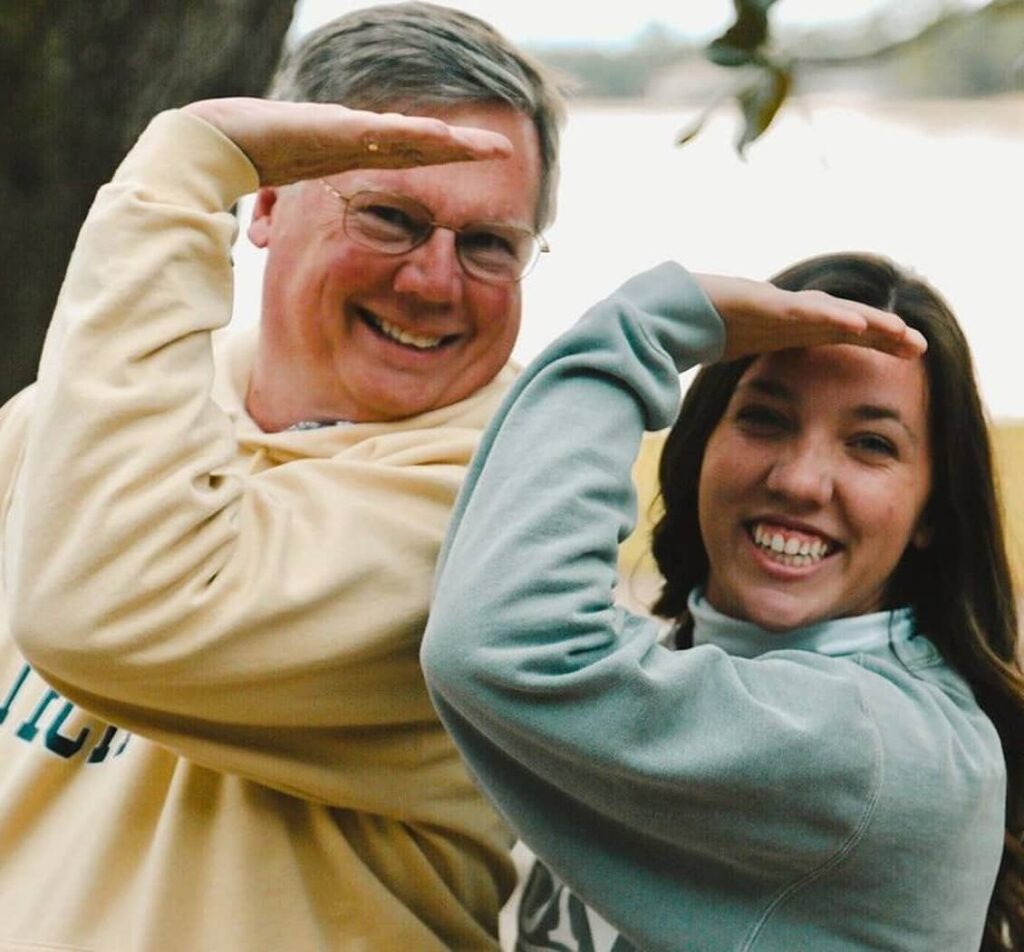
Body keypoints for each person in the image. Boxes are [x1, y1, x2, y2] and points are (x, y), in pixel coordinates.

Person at [0, 3, 565, 950]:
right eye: (391, 217)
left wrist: (180, 172)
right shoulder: (103, 405)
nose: (434, 281)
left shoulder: (508, 511)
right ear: (265, 205)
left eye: (488, 245)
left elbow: (104, 616)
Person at [421, 252, 1024, 950]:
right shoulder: (685, 669)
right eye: (765, 419)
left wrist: (642, 328)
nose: (801, 480)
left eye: (869, 444)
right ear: (702, 443)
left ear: (931, 511)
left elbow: (499, 643)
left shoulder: (878, 748)